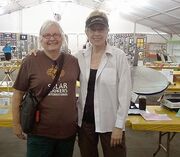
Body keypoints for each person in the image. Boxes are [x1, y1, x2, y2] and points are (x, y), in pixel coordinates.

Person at [12, 20, 79, 157]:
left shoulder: (73, 61)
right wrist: (16, 123)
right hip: (39, 133)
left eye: (56, 34)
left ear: (62, 38)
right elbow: (18, 94)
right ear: (40, 39)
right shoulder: (30, 61)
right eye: (47, 35)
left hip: (67, 133)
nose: (52, 38)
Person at [75, 10, 132, 157]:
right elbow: (58, 64)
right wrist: (38, 54)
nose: (96, 33)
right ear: (86, 32)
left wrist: (119, 126)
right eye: (92, 30)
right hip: (85, 123)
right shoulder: (79, 57)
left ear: (107, 31)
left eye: (101, 29)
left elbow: (125, 94)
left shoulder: (118, 57)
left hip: (110, 123)